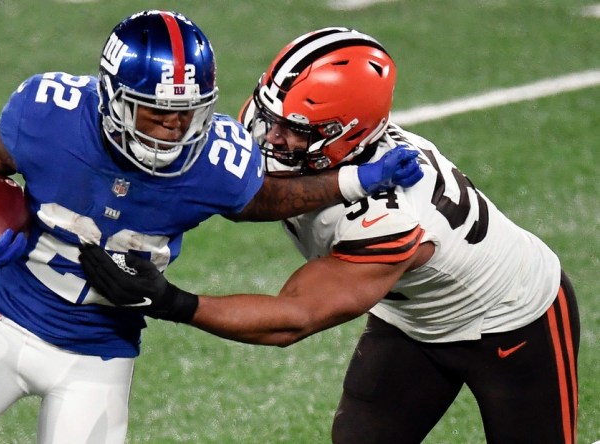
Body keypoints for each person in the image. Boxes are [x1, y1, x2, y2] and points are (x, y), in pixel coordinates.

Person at [0, 13, 423, 444]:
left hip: (98, 355)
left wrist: (355, 180)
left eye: (190, 111)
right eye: (157, 112)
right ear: (113, 99)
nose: (176, 128)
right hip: (3, 319)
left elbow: (265, 198)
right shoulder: (49, 115)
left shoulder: (214, 160)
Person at [79, 27, 580, 444]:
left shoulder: (391, 215)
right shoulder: (279, 126)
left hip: (512, 321)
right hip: (412, 316)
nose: (270, 137)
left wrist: (171, 301)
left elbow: (291, 319)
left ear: (349, 135)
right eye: (270, 116)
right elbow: (246, 192)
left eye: (294, 130)